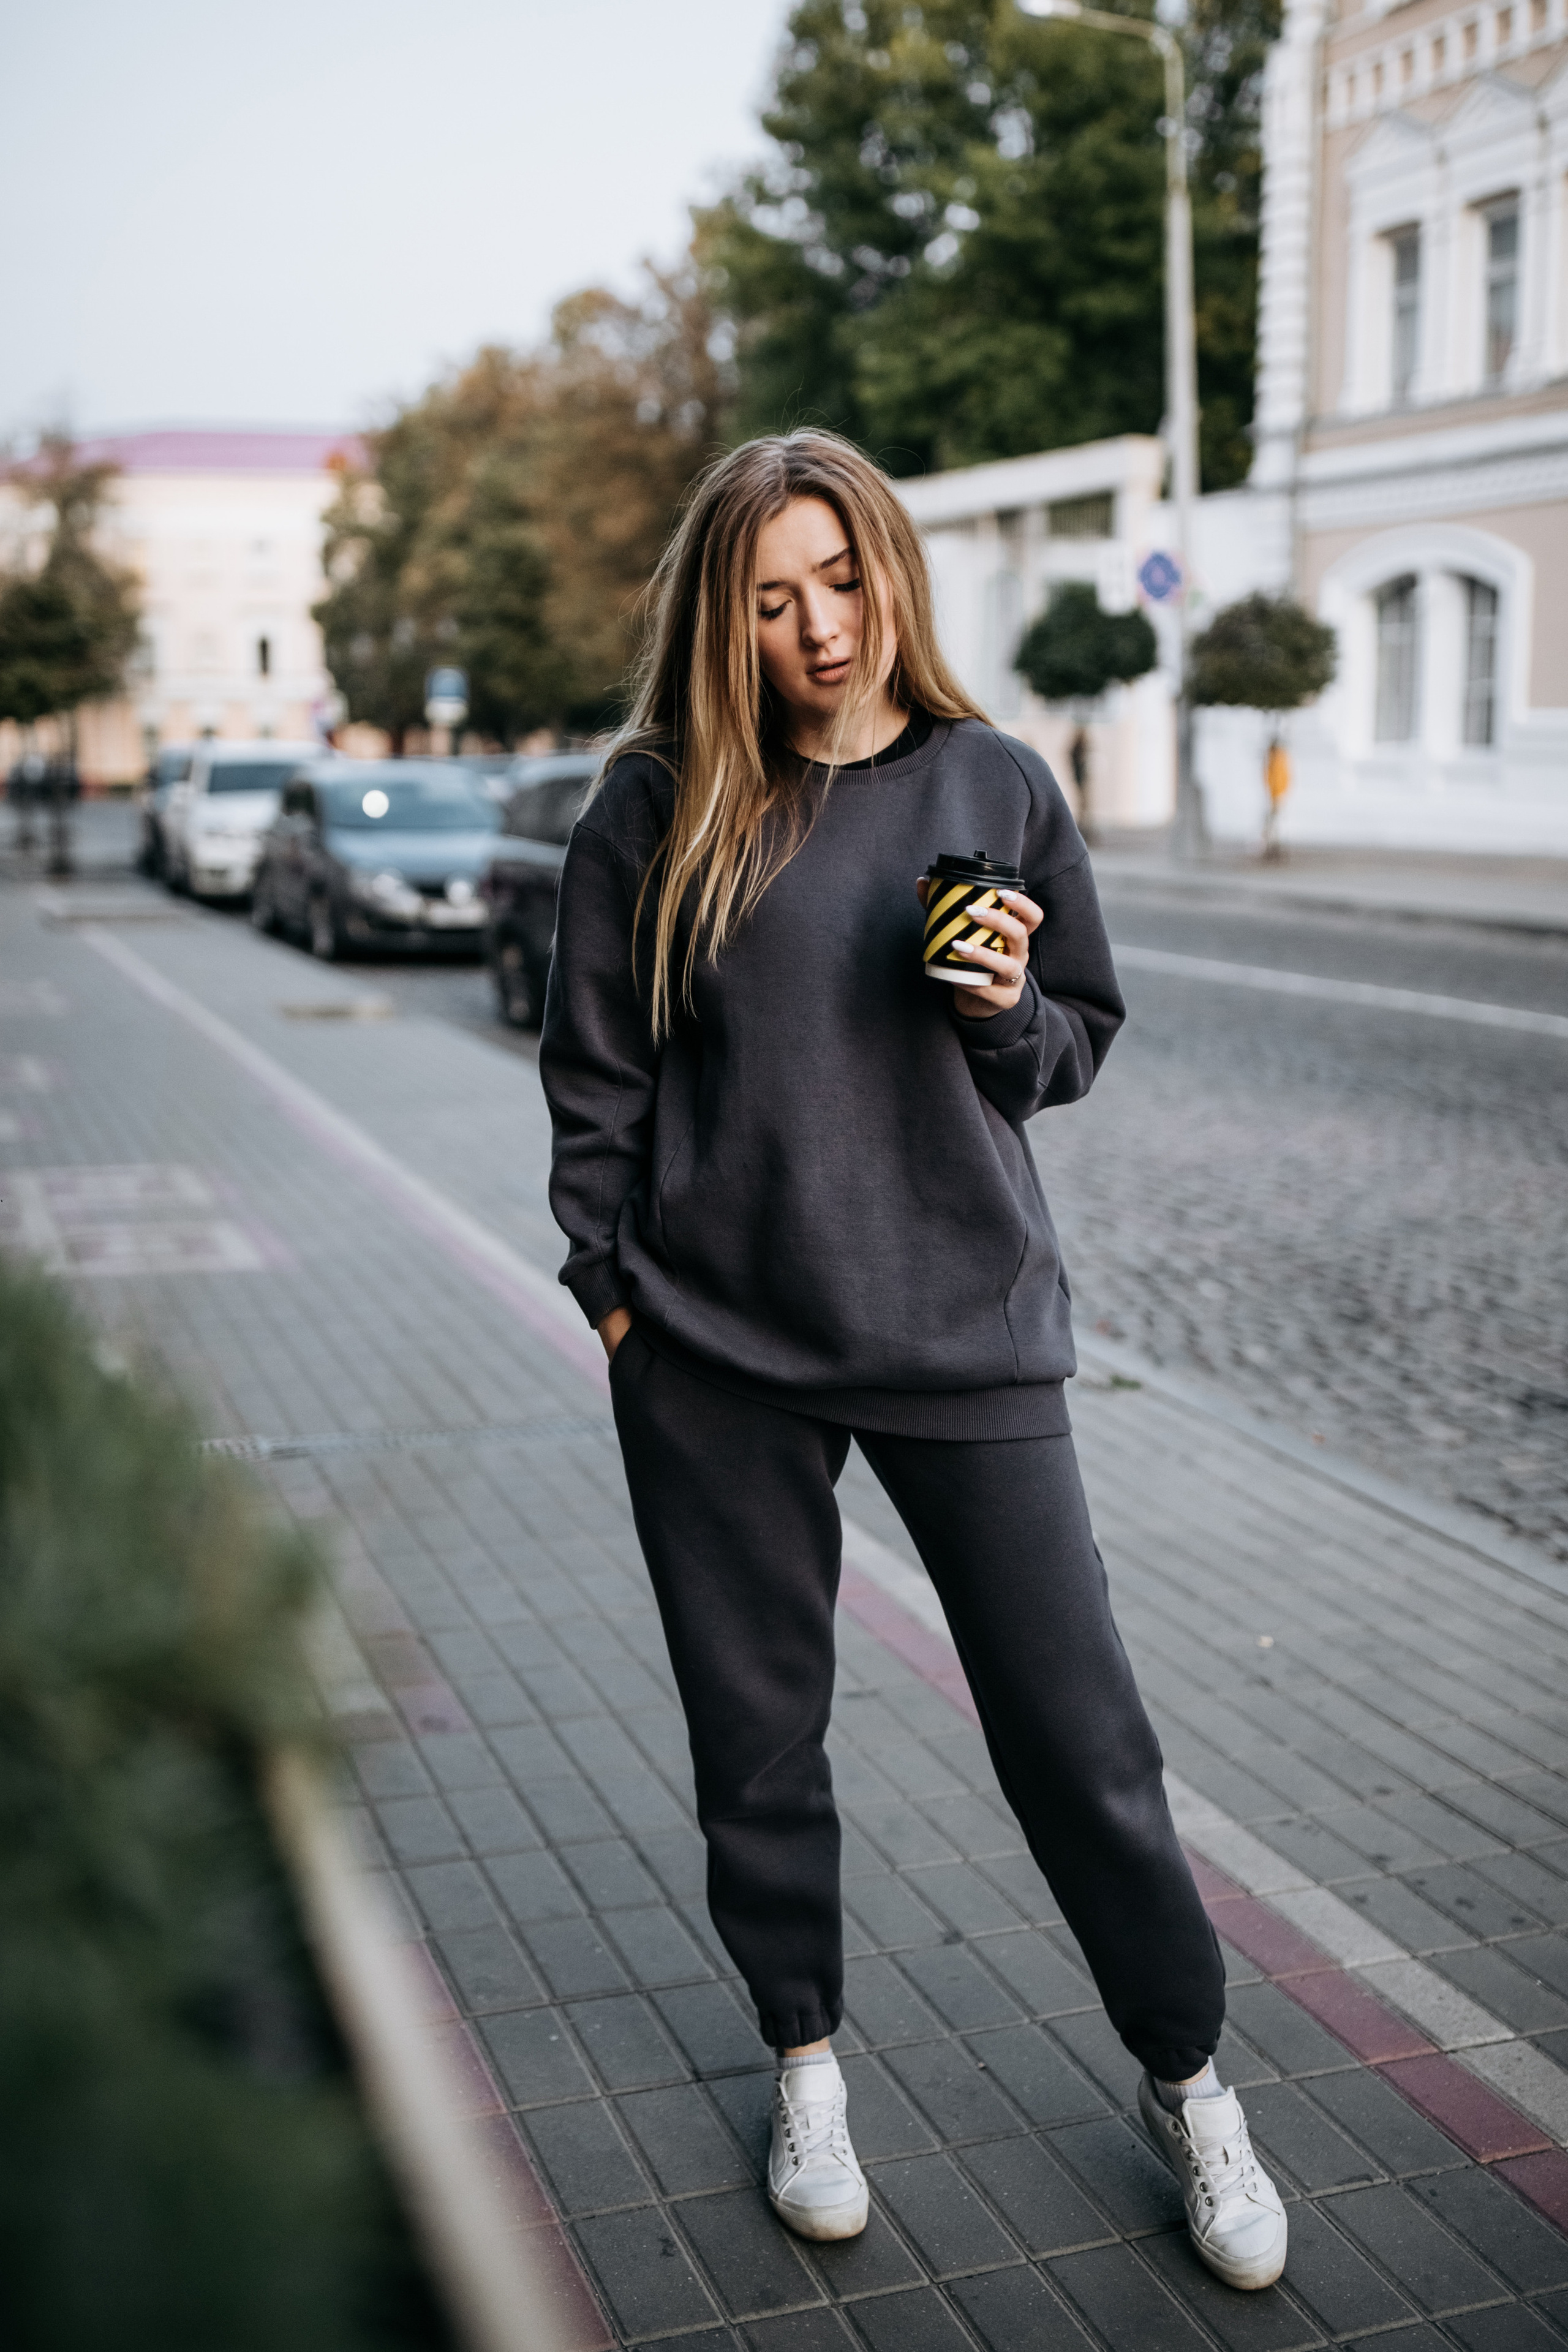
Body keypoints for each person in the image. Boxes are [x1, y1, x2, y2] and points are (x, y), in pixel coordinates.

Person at [540, 431, 1287, 2294]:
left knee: (1080, 1737)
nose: (817, 626)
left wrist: (1005, 1007)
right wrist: (614, 1297)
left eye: (843, 580)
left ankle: (1190, 2080)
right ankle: (807, 2065)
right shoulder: (657, 807)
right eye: (774, 594)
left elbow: (1073, 1052)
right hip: (718, 1353)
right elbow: (596, 1079)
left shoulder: (991, 782)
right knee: (759, 1745)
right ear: (729, 613)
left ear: (892, 576)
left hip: (966, 1338)